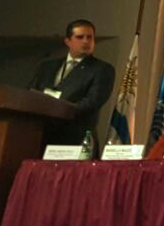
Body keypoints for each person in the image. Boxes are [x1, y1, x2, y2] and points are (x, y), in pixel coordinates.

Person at [28, 19, 116, 149]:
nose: (86, 41)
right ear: (68, 41)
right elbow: (31, 93)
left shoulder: (102, 69)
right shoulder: (47, 66)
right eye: (80, 37)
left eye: (90, 37)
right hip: (42, 136)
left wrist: (57, 111)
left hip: (76, 139)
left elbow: (92, 102)